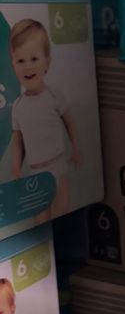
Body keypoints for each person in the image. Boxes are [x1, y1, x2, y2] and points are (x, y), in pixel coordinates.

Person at [10, 19, 81, 221]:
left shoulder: (54, 96)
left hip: (58, 165)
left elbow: (70, 123)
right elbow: (18, 142)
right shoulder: (18, 106)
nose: (28, 67)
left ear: (47, 62)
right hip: (35, 173)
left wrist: (76, 148)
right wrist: (16, 168)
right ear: (13, 65)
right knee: (40, 220)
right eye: (20, 61)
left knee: (62, 214)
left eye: (34, 59)